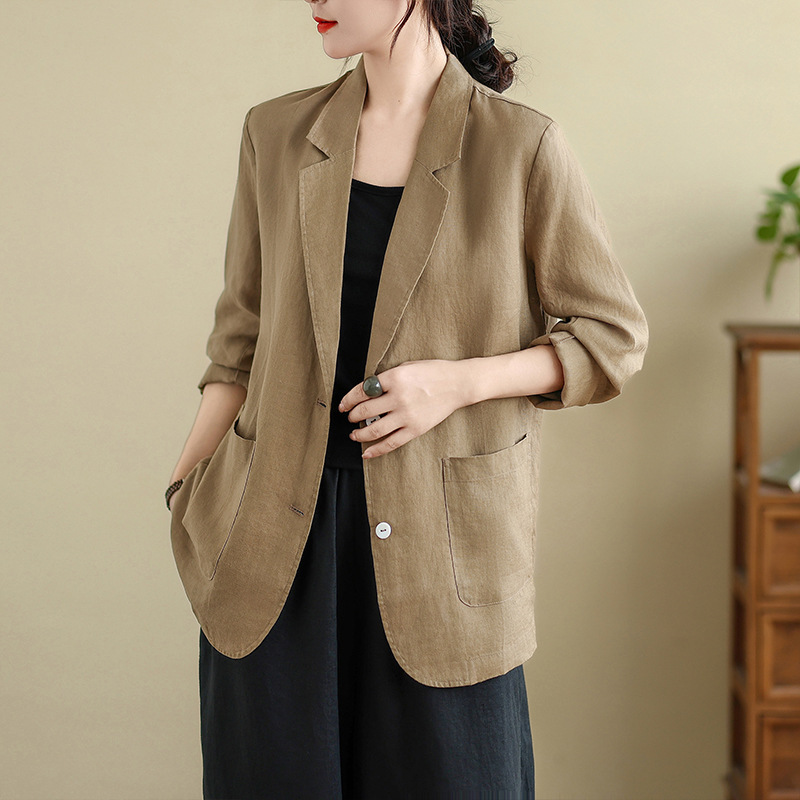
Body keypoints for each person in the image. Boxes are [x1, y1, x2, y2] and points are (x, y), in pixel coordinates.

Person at [166, 1, 649, 797]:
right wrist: (185, 492)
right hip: (268, 549)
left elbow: (612, 335)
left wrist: (456, 384)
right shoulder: (276, 133)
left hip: (443, 553)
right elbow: (239, 339)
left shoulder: (518, 145)